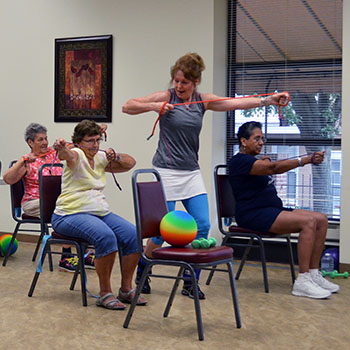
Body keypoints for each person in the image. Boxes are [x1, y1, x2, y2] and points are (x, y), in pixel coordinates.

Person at [122, 52, 289, 299]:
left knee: (202, 225)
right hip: (165, 171)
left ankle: (190, 281)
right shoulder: (166, 97)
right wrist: (153, 106)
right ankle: (143, 271)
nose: (179, 87)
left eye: (184, 83)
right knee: (159, 231)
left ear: (195, 83)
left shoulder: (203, 102)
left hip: (190, 173)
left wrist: (269, 99)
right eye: (176, 81)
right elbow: (128, 106)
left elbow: (236, 103)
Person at [228, 121, 340, 299]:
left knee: (321, 219)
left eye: (262, 139)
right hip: (252, 214)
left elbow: (266, 167)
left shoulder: (254, 161)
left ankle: (313, 273)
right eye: (256, 139)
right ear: (243, 141)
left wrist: (263, 161)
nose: (261, 142)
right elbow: (272, 168)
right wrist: (306, 159)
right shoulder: (238, 161)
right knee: (308, 222)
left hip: (272, 209)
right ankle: (302, 281)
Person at [51, 119, 147, 310]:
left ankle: (126, 289)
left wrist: (115, 155)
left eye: (97, 140)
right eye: (90, 141)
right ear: (79, 142)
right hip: (69, 215)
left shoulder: (101, 157)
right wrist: (61, 147)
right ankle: (105, 294)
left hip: (99, 213)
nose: (95, 145)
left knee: (133, 235)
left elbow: (130, 163)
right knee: (105, 236)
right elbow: (66, 155)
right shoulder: (77, 154)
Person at [3, 123, 80, 272]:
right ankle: (66, 257)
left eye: (46, 138)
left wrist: (62, 144)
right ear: (30, 143)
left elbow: (78, 145)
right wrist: (23, 160)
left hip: (57, 203)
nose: (45, 142)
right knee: (65, 210)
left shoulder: (54, 154)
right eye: (40, 139)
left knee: (76, 207)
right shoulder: (27, 163)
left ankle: (83, 253)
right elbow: (8, 179)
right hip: (33, 203)